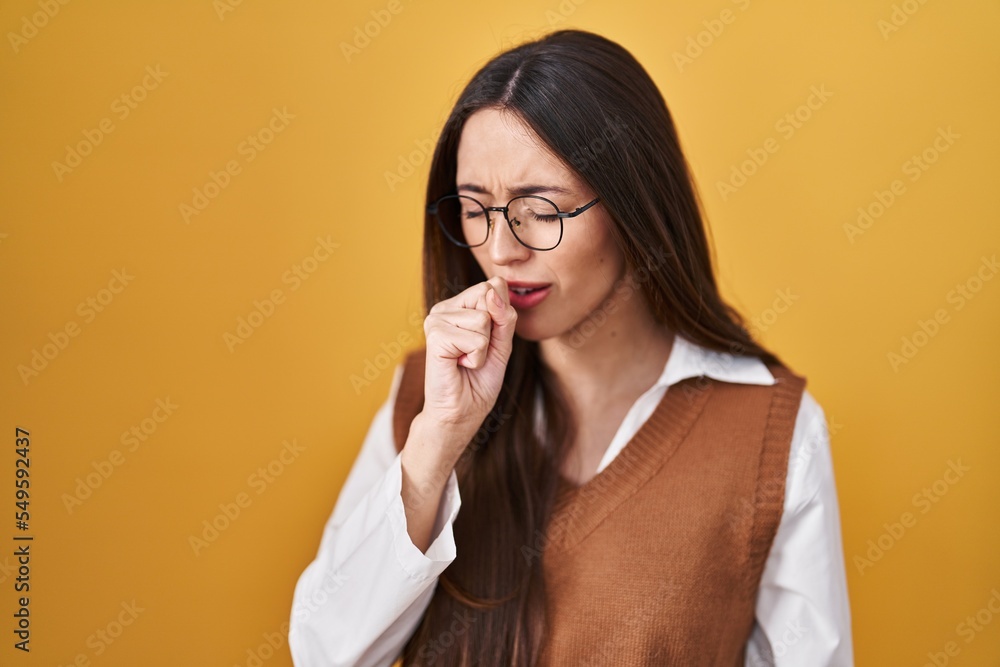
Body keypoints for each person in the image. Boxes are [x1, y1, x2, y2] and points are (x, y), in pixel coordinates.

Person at [289, 28, 853, 667]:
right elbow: (326, 653)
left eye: (542, 209)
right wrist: (437, 442)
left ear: (633, 203)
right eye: (476, 209)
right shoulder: (426, 399)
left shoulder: (772, 430)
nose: (502, 250)